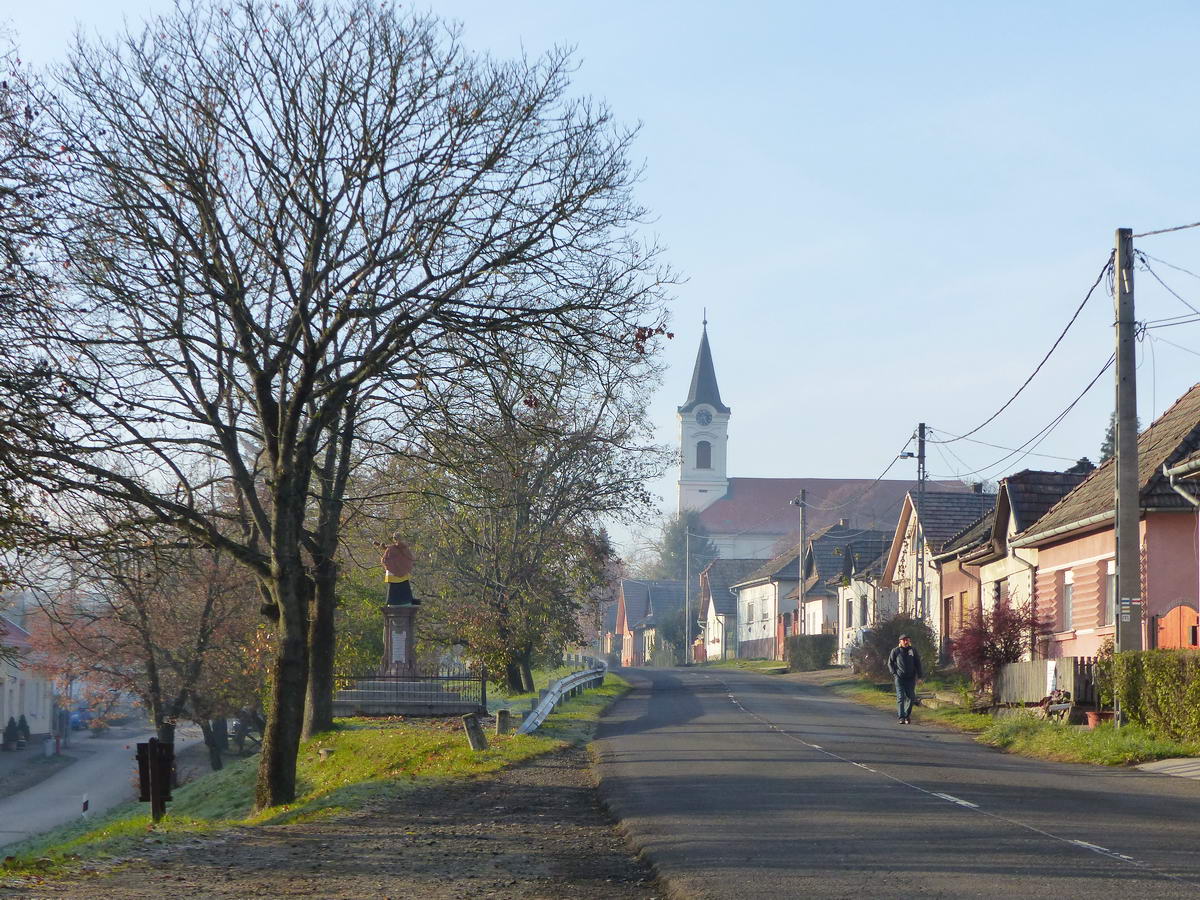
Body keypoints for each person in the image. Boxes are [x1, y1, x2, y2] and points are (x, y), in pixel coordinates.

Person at [887, 633, 923, 724]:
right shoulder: (895, 651)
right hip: (899, 678)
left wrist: (920, 677)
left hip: (910, 678)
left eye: (907, 640)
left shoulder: (913, 651)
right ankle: (901, 717)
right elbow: (890, 663)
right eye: (904, 640)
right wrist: (894, 673)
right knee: (901, 697)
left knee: (911, 697)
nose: (906, 642)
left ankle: (907, 715)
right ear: (900, 641)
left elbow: (918, 664)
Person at [380, 532, 419, 606]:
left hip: (396, 575)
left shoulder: (392, 549)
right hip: (400, 575)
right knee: (400, 588)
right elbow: (411, 559)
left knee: (398, 589)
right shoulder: (399, 549)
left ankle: (396, 603)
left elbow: (385, 560)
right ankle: (403, 602)